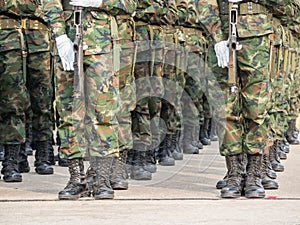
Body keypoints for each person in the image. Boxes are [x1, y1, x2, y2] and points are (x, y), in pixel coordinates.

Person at [55, 0, 137, 200]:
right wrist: (59, 35)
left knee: (104, 111)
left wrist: (100, 2)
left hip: (102, 44)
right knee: (68, 112)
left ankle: (101, 178)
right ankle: (77, 178)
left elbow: (130, 4)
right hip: (68, 40)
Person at [214, 0, 274, 198]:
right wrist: (216, 34)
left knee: (256, 106)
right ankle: (234, 173)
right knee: (225, 108)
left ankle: (254, 173)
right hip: (221, 32)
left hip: (256, 34)